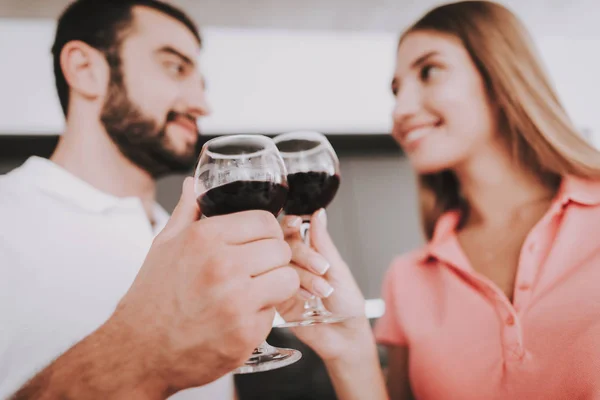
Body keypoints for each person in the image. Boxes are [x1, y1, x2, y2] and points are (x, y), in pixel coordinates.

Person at [279, 1, 600, 399]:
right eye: (396, 90)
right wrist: (350, 347)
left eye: (429, 72)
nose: (400, 110)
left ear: (501, 79)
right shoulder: (408, 278)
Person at [0, 0, 267, 398]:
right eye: (175, 67)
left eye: (202, 83)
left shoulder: (194, 238)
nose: (202, 105)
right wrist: (141, 350)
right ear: (85, 69)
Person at [8, 178, 300, 400]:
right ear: (88, 92)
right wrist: (141, 346)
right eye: (186, 91)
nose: (201, 106)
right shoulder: (9, 215)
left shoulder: (187, 233)